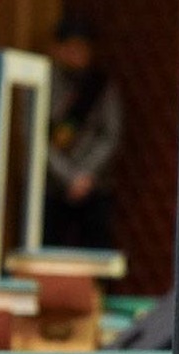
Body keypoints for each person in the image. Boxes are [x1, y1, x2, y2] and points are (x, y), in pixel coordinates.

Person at [44, 16, 123, 248]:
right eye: (70, 47)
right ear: (56, 48)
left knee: (97, 250)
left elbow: (110, 135)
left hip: (93, 184)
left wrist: (84, 175)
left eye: (82, 48)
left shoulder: (100, 86)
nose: (76, 54)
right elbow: (36, 139)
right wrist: (68, 177)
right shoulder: (42, 82)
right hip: (52, 185)